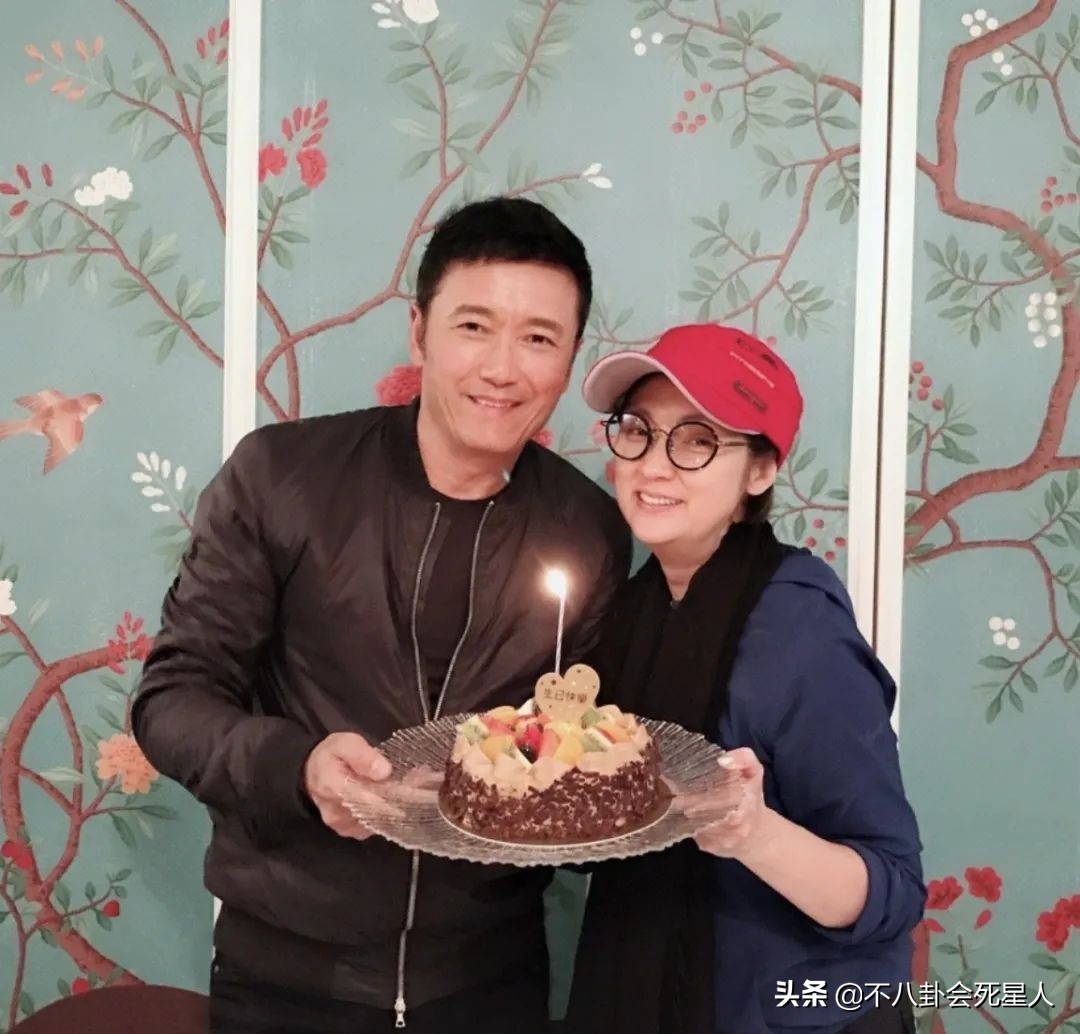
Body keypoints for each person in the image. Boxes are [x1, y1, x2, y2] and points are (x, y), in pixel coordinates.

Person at [132, 197, 631, 1033]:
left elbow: (578, 740)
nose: (502, 368)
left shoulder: (587, 528)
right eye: (474, 326)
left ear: (570, 356)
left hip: (491, 982)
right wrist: (300, 768)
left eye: (539, 339)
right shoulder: (283, 476)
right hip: (288, 981)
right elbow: (172, 701)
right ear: (419, 332)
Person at [563, 324, 924, 1034]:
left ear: (759, 472)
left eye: (696, 440)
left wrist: (752, 834)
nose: (653, 466)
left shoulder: (800, 634)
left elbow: (893, 888)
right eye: (638, 430)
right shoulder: (632, 611)